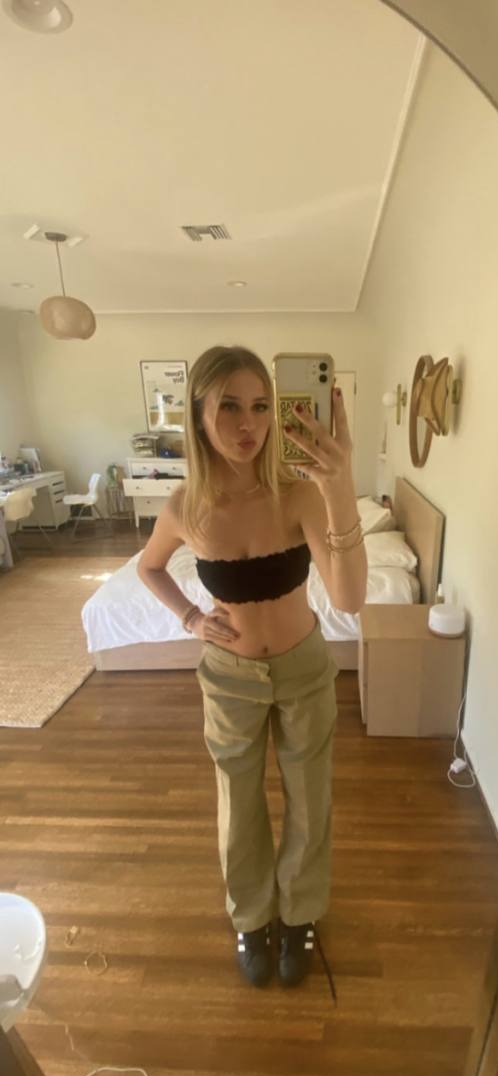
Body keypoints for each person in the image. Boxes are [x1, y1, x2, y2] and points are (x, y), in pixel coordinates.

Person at [137, 345, 367, 989]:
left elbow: (349, 599)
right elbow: (149, 568)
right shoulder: (184, 507)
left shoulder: (299, 493)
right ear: (198, 414)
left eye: (263, 406)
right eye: (230, 407)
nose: (250, 425)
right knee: (237, 806)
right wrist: (190, 617)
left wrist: (338, 484)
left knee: (310, 800)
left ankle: (300, 914)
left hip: (304, 671)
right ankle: (251, 916)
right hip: (229, 679)